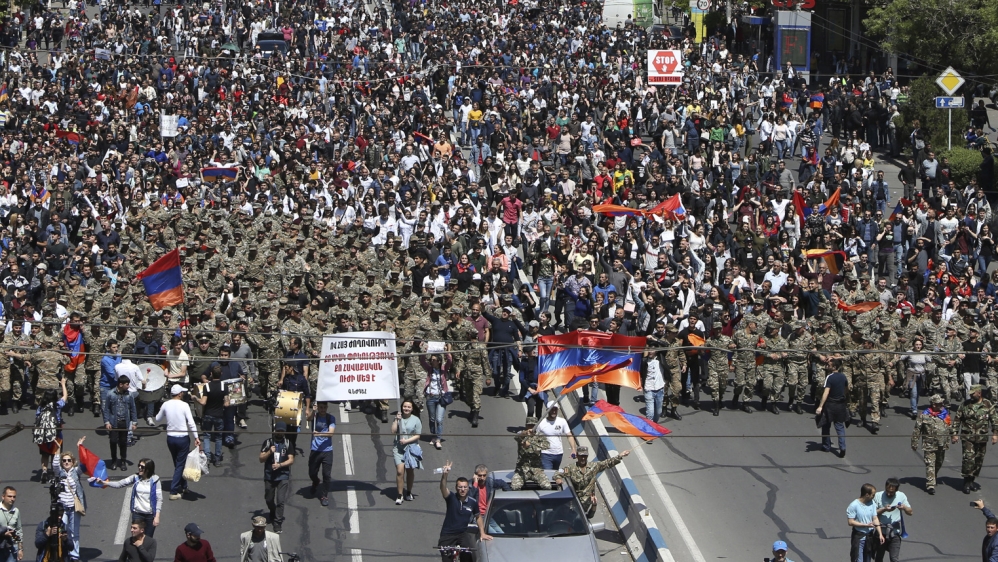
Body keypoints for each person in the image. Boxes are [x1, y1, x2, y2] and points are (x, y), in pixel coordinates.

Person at [436, 461, 491, 562]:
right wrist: (445, 475)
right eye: (460, 487)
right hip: (447, 535)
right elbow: (443, 488)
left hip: (462, 534)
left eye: (465, 487)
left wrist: (482, 533)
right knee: (446, 558)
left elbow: (478, 516)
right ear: (456, 488)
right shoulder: (451, 498)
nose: (462, 489)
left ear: (468, 488)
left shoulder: (472, 502)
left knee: (469, 556)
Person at [554, 446, 630, 518]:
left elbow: (607, 463)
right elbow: (558, 473)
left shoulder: (594, 466)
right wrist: (558, 478)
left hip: (586, 500)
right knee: (568, 515)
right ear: (577, 456)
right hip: (573, 499)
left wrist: (620, 456)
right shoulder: (571, 468)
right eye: (581, 456)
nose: (583, 458)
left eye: (585, 456)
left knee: (581, 517)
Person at [154, 385, 201, 500]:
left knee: (178, 462)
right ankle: (173, 491)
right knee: (180, 464)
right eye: (182, 393)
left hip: (170, 438)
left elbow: (157, 419)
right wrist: (196, 437)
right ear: (179, 394)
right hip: (182, 438)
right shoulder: (184, 405)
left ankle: (184, 486)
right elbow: (191, 423)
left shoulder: (166, 404)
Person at [95, 459, 162, 538]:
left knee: (148, 539)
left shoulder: (155, 480)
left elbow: (159, 499)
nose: (139, 468)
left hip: (150, 515)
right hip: (137, 514)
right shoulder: (135, 477)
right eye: (139, 465)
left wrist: (157, 516)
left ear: (148, 469)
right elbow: (119, 484)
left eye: (142, 467)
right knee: (136, 537)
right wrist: (104, 482)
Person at [953, 384, 998, 493]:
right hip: (967, 436)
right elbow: (957, 419)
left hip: (982, 437)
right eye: (971, 394)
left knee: (978, 461)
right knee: (968, 459)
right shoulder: (965, 405)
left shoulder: (987, 404)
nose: (971, 396)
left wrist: (995, 434)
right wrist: (954, 434)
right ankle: (966, 481)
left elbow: (994, 420)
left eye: (973, 394)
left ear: (979, 393)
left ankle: (972, 480)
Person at [49, 440, 85, 562]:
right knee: (61, 531)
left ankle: (74, 555)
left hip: (74, 508)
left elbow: (83, 464)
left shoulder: (76, 472)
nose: (66, 462)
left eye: (69, 460)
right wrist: (57, 450)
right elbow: (54, 465)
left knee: (74, 532)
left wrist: (79, 447)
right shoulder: (59, 473)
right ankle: (62, 553)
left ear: (73, 462)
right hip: (62, 509)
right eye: (64, 461)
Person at [911, 394, 952, 495]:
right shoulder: (924, 415)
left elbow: (950, 427)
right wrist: (914, 442)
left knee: (939, 462)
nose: (941, 405)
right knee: (930, 463)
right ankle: (930, 485)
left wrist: (954, 435)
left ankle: (933, 476)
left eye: (942, 403)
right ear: (933, 404)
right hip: (929, 444)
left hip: (942, 444)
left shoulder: (945, 414)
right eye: (939, 403)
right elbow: (917, 430)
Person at [260, 422, 294, 533]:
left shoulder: (288, 443)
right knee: (269, 499)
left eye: (282, 431)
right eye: (278, 431)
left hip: (283, 475)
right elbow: (261, 458)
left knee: (280, 500)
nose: (280, 433)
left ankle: (277, 522)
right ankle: (273, 511)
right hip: (270, 475)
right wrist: (270, 451)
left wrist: (280, 465)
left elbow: (291, 460)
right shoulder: (268, 442)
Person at [34, 379, 68, 484]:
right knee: (56, 454)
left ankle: (44, 472)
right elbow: (65, 397)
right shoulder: (58, 405)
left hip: (43, 434)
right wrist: (63, 384)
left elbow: (37, 416)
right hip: (56, 433)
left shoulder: (41, 406)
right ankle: (55, 473)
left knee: (44, 455)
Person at [102, 376, 138, 471]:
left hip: (124, 422)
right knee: (113, 441)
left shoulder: (129, 395)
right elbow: (106, 409)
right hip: (114, 423)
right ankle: (114, 460)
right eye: (127, 384)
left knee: (123, 442)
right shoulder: (111, 394)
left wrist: (134, 423)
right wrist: (107, 422)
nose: (128, 386)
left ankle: (123, 461)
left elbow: (133, 409)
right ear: (121, 384)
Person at [195, 368, 229, 467]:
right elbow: (226, 404)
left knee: (206, 436)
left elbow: (203, 402)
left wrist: (195, 398)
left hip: (208, 415)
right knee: (218, 437)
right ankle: (217, 458)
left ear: (211, 374)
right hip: (219, 415)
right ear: (221, 374)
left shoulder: (207, 387)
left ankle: (207, 457)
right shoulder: (224, 386)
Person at [873, 477, 912, 562]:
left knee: (894, 559)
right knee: (879, 558)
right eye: (887, 491)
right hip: (881, 533)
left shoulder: (901, 496)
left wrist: (904, 507)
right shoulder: (878, 496)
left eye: (892, 492)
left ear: (896, 490)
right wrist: (884, 509)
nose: (889, 494)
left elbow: (910, 512)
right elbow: (872, 513)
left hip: (895, 534)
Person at [392, 399, 423, 505]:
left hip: (410, 448)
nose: (406, 408)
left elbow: (418, 435)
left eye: (409, 407)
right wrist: (396, 420)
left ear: (412, 409)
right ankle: (399, 495)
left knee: (409, 470)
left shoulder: (416, 420)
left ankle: (408, 492)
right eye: (405, 406)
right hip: (399, 448)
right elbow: (393, 431)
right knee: (400, 471)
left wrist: (406, 441)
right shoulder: (398, 417)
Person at [816, 360, 849, 458]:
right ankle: (842, 448)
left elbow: (826, 392)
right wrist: (844, 397)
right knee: (840, 427)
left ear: (834, 367)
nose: (827, 366)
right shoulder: (843, 376)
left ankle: (826, 446)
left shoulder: (829, 377)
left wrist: (820, 406)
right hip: (840, 405)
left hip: (830, 405)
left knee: (825, 425)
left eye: (829, 365)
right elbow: (846, 388)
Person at [535, 402, 578, 470]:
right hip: (546, 454)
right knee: (549, 475)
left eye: (555, 409)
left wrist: (573, 449)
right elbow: (535, 438)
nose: (554, 411)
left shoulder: (562, 421)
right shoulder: (541, 423)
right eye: (552, 409)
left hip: (559, 454)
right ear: (548, 410)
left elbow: (569, 435)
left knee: (555, 475)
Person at [847, 483, 884, 562]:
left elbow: (875, 518)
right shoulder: (853, 505)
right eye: (873, 494)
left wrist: (880, 534)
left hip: (869, 537)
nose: (874, 496)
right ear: (867, 494)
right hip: (859, 537)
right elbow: (850, 522)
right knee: (858, 559)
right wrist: (865, 525)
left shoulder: (872, 503)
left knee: (867, 560)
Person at [308, 402, 335, 507]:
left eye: (324, 407)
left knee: (326, 475)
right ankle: (315, 481)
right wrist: (313, 411)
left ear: (327, 408)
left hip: (327, 450)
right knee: (312, 473)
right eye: (321, 408)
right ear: (318, 407)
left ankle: (324, 495)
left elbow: (331, 433)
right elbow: (308, 419)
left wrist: (319, 434)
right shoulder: (315, 416)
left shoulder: (330, 418)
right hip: (315, 450)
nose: (323, 409)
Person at [511, 416, 551, 490]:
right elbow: (517, 437)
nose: (531, 427)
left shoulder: (540, 436)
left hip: (536, 469)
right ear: (526, 425)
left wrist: (531, 444)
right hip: (522, 469)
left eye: (533, 425)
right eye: (529, 425)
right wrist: (525, 433)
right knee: (515, 487)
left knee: (547, 486)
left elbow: (547, 445)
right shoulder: (522, 435)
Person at [0, 486, 23, 562]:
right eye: (9, 496)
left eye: (14, 497)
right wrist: (3, 534)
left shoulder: (16, 511)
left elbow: (19, 530)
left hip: (12, 546)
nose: (12, 499)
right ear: (3, 497)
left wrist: (20, 549)